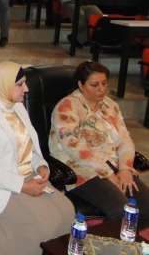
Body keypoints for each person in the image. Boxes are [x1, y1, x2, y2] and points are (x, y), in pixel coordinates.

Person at [0, 62, 74, 255]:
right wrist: (22, 186)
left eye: (25, 83)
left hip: (24, 173)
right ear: (2, 85)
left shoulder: (17, 107)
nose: (26, 89)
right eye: (20, 84)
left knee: (67, 210)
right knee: (42, 223)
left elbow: (27, 146)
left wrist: (41, 165)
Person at [49, 61, 149, 222]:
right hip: (82, 170)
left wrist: (125, 169)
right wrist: (108, 174)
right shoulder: (67, 107)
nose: (101, 89)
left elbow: (125, 139)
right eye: (94, 85)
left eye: (104, 83)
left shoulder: (110, 105)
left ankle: (134, 239)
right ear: (81, 85)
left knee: (146, 205)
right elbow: (75, 149)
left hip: (113, 166)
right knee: (122, 210)